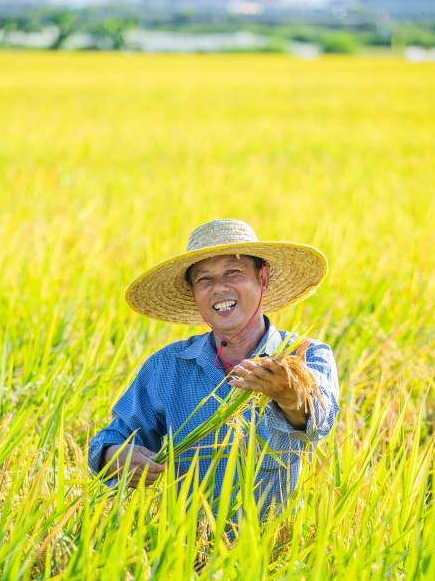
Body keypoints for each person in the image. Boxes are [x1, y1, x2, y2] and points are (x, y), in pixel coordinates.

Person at [88, 219, 340, 520]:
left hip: (276, 542)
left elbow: (321, 421)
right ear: (193, 292)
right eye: (204, 279)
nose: (219, 288)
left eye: (234, 273)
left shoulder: (304, 355)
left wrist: (290, 395)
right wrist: (115, 456)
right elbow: (113, 438)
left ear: (262, 278)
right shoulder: (168, 366)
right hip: (185, 542)